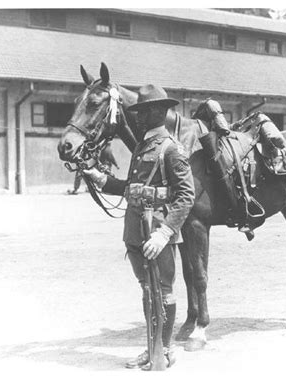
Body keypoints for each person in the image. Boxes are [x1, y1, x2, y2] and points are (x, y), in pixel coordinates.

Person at [83, 84, 195, 370]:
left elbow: (186, 196)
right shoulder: (143, 147)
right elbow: (131, 188)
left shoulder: (172, 149)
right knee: (147, 290)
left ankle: (166, 349)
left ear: (158, 112)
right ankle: (151, 347)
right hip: (135, 229)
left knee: (164, 290)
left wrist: (165, 232)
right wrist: (99, 178)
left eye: (144, 112)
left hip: (157, 231)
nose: (140, 117)